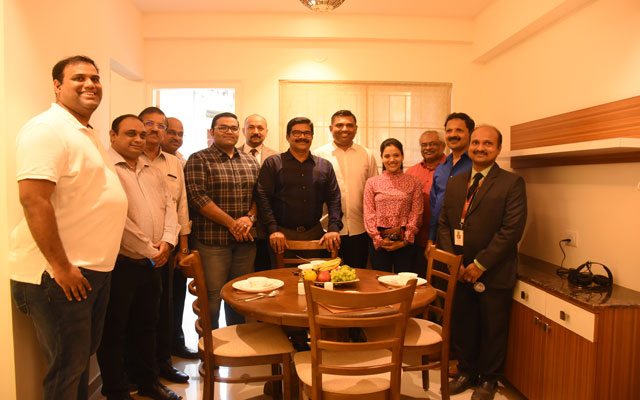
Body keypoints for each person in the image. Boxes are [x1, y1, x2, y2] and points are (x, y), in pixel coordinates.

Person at [9, 55, 128, 400]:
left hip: (92, 271)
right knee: (66, 370)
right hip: (60, 275)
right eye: (79, 78)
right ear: (58, 86)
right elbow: (34, 200)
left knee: (77, 364)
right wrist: (62, 267)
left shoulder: (83, 132)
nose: (90, 84)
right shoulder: (47, 129)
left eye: (95, 78)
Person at [437, 125, 527, 400]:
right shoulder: (456, 181)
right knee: (464, 323)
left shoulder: (511, 183)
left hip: (493, 271)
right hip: (460, 269)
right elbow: (444, 224)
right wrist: (456, 262)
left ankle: (489, 379)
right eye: (476, 142)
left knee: (492, 328)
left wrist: (479, 265)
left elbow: (511, 230)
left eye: (487, 143)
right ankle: (467, 371)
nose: (479, 148)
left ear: (498, 149)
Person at [97, 114, 181, 400]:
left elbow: (169, 205)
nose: (138, 139)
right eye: (130, 134)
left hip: (153, 262)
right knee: (115, 330)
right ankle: (117, 390)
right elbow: (117, 218)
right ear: (112, 136)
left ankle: (148, 383)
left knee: (148, 326)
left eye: (141, 135)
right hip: (121, 264)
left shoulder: (151, 169)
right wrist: (151, 249)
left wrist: (168, 242)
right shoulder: (105, 168)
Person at [184, 112, 260, 329]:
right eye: (223, 127)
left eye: (234, 128)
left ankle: (237, 341)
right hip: (212, 243)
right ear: (212, 131)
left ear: (239, 132)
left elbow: (259, 194)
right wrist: (231, 223)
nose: (229, 131)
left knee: (241, 294)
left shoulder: (249, 160)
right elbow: (198, 197)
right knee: (212, 298)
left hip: (245, 242)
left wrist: (250, 217)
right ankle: (209, 347)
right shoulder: (198, 159)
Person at [138, 108, 195, 383]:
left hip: (167, 249)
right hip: (134, 252)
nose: (156, 129)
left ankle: (164, 363)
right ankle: (140, 371)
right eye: (150, 124)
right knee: (140, 316)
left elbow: (180, 206)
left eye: (161, 125)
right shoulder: (129, 158)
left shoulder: (173, 163)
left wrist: (179, 248)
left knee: (164, 310)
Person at [255, 116, 342, 263]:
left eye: (307, 133)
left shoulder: (324, 166)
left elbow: (334, 199)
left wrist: (333, 228)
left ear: (312, 137)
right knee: (282, 281)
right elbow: (262, 197)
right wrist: (273, 229)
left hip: (315, 234)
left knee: (314, 278)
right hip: (280, 236)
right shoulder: (274, 163)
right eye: (296, 133)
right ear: (288, 136)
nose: (302, 137)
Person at [316, 110, 378, 268]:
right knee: (326, 278)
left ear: (356, 128)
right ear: (331, 128)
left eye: (349, 125)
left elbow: (374, 191)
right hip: (325, 230)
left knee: (357, 277)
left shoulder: (367, 155)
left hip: (359, 229)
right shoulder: (318, 155)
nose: (345, 129)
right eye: (340, 125)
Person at [363, 138, 423, 273]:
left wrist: (405, 239)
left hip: (405, 238)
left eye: (396, 155)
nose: (392, 160)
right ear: (381, 158)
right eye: (387, 156)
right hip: (379, 238)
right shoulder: (372, 182)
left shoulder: (414, 182)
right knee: (380, 282)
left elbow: (416, 212)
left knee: (404, 282)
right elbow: (369, 212)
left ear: (402, 156)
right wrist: (378, 238)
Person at [428, 112, 475, 251]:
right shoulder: (441, 168)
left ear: (470, 133)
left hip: (469, 241)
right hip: (442, 239)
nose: (453, 134)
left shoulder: (477, 166)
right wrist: (431, 238)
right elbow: (435, 207)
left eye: (459, 130)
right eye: (449, 131)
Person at [240, 114, 278, 271]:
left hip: (268, 226)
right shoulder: (232, 155)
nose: (256, 131)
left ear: (267, 132)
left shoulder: (277, 157)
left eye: (260, 128)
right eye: (251, 127)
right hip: (241, 225)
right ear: (243, 130)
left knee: (266, 270)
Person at [405, 130, 446, 276]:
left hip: (443, 240)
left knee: (439, 283)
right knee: (417, 281)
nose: (427, 148)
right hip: (414, 240)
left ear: (443, 146)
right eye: (424, 145)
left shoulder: (452, 169)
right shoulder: (411, 171)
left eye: (432, 144)